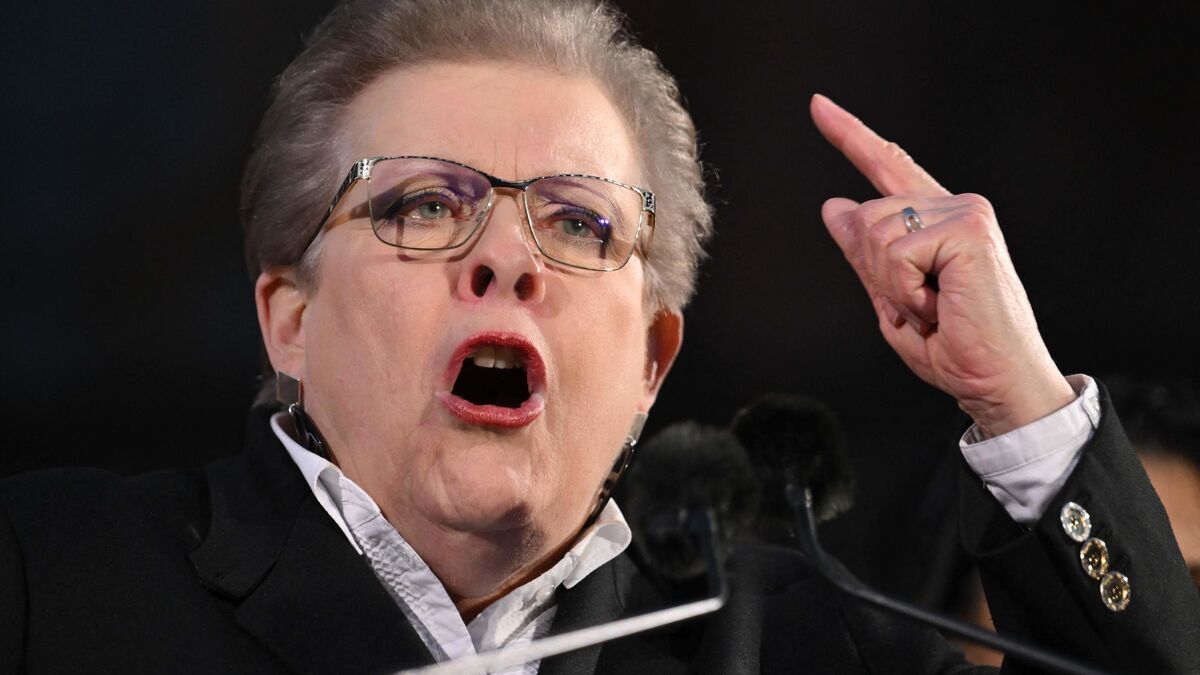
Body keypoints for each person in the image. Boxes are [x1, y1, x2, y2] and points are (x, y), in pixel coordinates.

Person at [1, 0, 1197, 672]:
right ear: (291, 320)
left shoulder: (806, 646)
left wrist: (1021, 398)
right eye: (425, 205)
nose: (507, 256)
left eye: (578, 222)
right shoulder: (51, 579)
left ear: (650, 364)